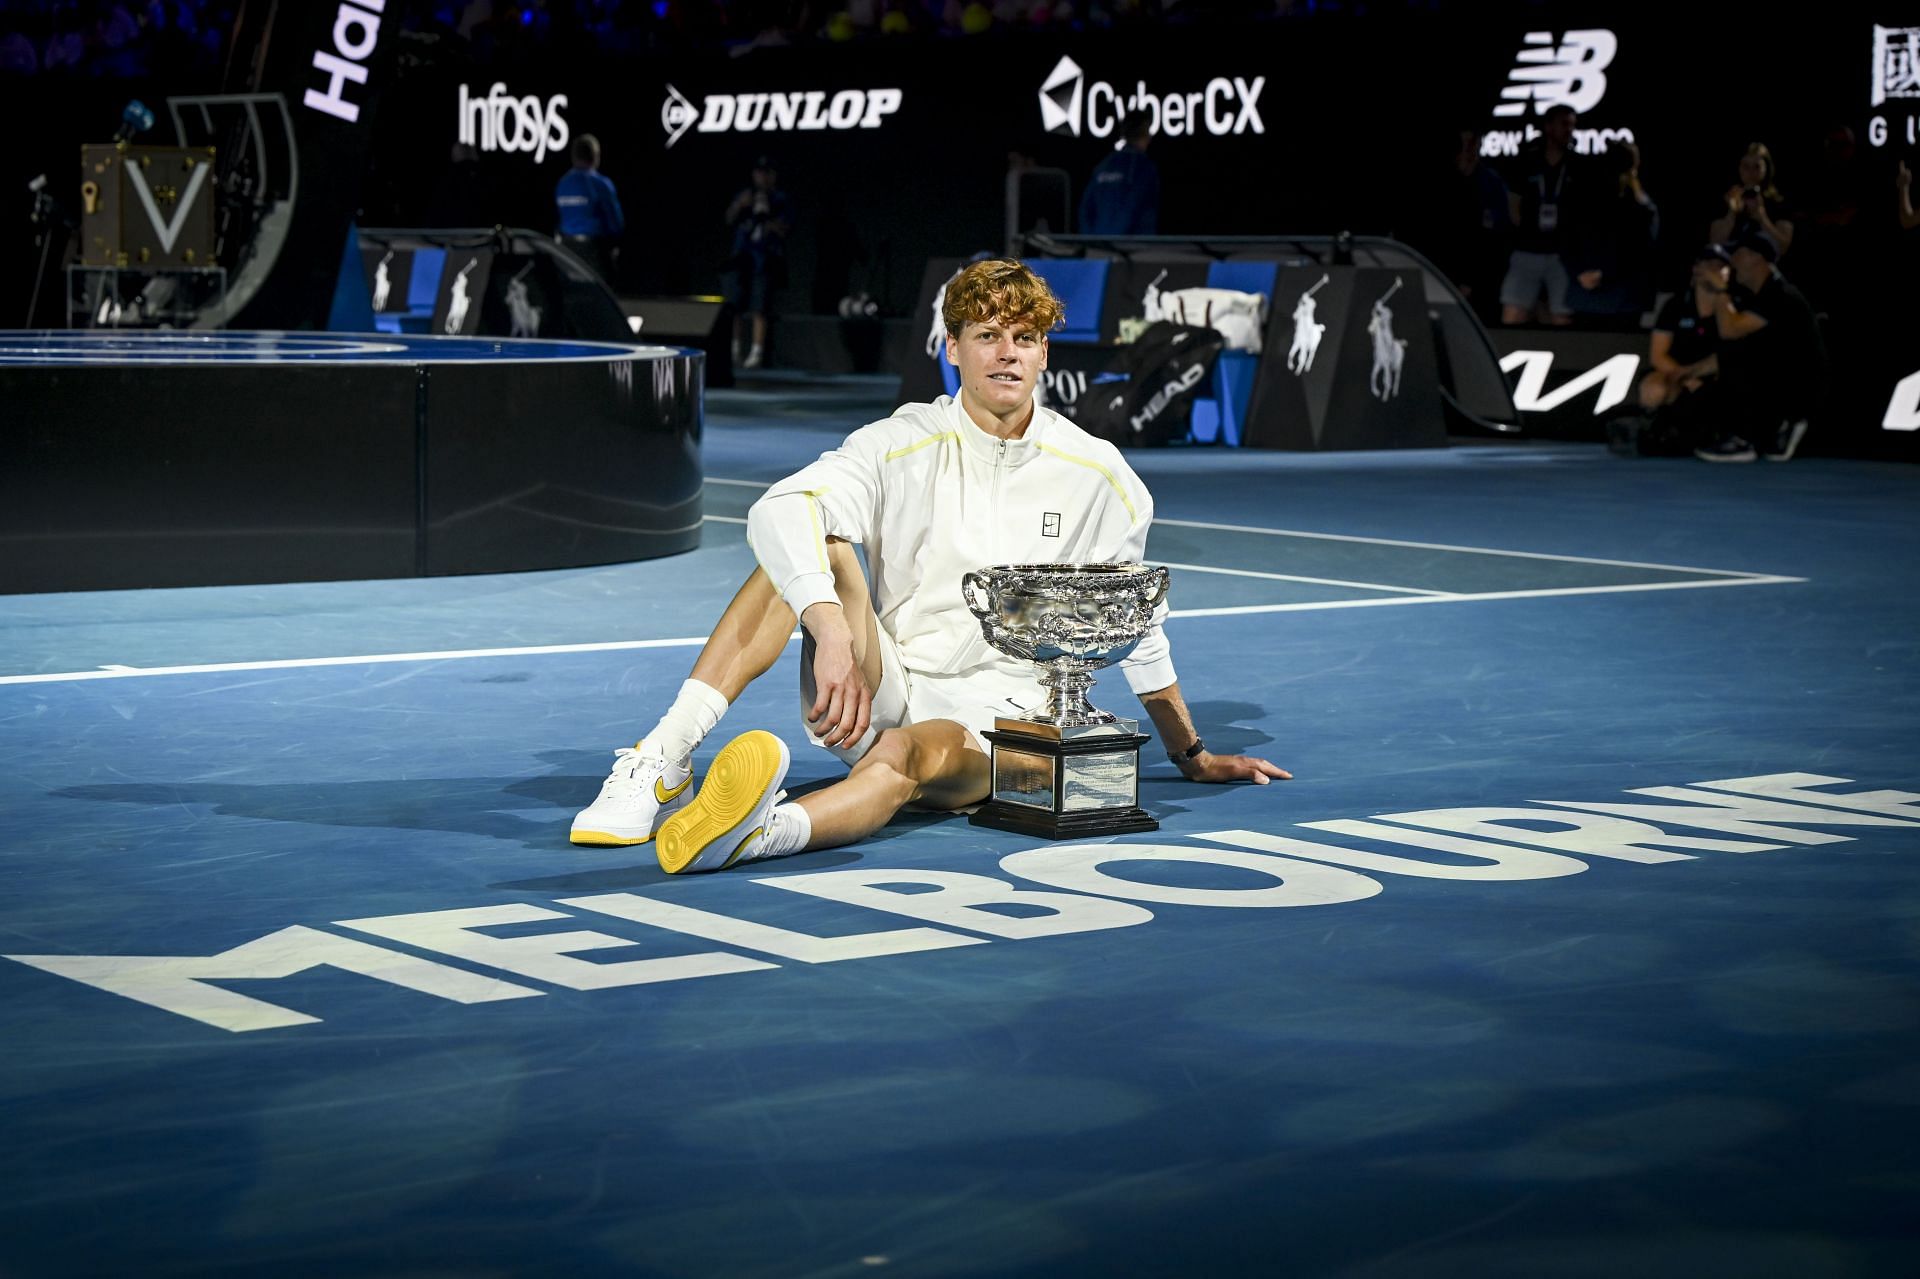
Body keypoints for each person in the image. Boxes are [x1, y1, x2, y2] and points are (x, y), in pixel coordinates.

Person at [570, 258, 1288, 873]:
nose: (1006, 353)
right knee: (806, 539)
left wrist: (1190, 752)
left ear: (1044, 354)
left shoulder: (1100, 475)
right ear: (953, 348)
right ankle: (664, 757)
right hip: (871, 685)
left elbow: (1133, 621)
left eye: (1024, 338)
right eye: (986, 337)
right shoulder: (898, 442)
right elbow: (777, 510)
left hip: (994, 723)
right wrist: (832, 629)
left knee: (908, 756)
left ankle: (759, 834)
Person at [1691, 229, 1826, 463]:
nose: (1732, 262)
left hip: (1800, 390)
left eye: (1738, 254)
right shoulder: (1760, 295)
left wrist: (1721, 289)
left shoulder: (1779, 295)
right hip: (1779, 381)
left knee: (1737, 356)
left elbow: (1729, 331)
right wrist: (1688, 372)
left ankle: (1751, 436)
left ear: (1757, 258)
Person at [1500, 104, 1584, 326]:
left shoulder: (1578, 164)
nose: (1569, 130)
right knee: (1512, 313)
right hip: (1527, 249)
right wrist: (1524, 230)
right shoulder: (1527, 161)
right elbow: (1513, 204)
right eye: (1564, 124)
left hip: (1563, 255)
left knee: (1562, 316)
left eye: (1572, 126)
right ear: (1548, 127)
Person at [1567, 140, 1659, 330]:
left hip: (1623, 298)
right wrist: (1580, 272)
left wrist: (1600, 274)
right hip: (1590, 295)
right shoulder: (1586, 199)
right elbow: (1567, 239)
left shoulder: (1640, 206)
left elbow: (1641, 251)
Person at [725, 156, 793, 369]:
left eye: (767, 173)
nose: (762, 177)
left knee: (759, 305)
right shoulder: (745, 197)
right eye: (759, 172)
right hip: (741, 257)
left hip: (765, 259)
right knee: (734, 305)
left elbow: (785, 229)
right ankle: (734, 349)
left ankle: (757, 352)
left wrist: (767, 216)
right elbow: (728, 220)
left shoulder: (780, 199)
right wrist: (740, 206)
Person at [553, 133, 625, 284]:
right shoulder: (601, 184)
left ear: (574, 157)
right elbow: (615, 223)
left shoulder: (562, 184)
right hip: (595, 254)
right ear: (595, 156)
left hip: (567, 253)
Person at [1079, 110, 1161, 236]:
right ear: (1144, 133)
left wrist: (1093, 242)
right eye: (1148, 131)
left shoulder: (1103, 166)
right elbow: (1132, 208)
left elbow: (1085, 211)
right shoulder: (1145, 169)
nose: (1150, 137)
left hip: (1100, 248)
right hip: (1132, 250)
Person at [1708, 142, 1795, 259]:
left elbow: (1783, 247)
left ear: (1766, 169)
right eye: (1746, 166)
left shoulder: (1778, 203)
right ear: (1738, 168)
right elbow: (1715, 243)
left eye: (1757, 167)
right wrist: (1732, 213)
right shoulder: (1727, 200)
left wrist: (1762, 217)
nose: (1751, 173)